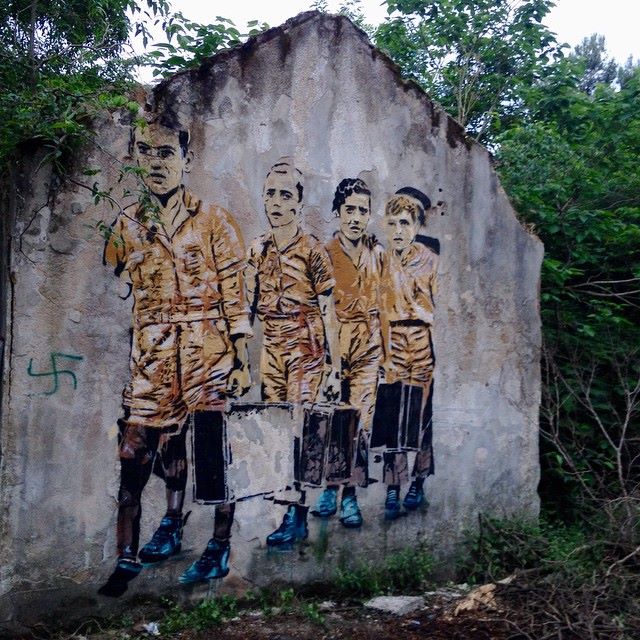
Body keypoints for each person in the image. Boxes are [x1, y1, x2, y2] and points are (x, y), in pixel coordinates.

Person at [99, 110, 251, 596]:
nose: (156, 163)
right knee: (135, 453)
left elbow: (235, 294)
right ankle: (127, 555)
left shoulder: (214, 221)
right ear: (134, 160)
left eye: (167, 153)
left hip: (208, 354)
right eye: (146, 153)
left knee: (211, 458)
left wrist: (242, 360)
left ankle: (218, 545)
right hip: (152, 360)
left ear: (186, 159)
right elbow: (115, 287)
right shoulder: (127, 226)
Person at [246, 158, 341, 550]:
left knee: (299, 431)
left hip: (306, 345)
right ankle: (287, 512)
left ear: (300, 204)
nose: (276, 202)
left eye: (286, 195)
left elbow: (329, 312)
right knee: (277, 430)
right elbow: (247, 309)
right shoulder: (257, 250)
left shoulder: (313, 251)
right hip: (272, 346)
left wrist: (334, 367)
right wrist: (237, 360)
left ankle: (295, 515)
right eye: (270, 194)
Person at [312, 178, 384, 527]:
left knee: (360, 427)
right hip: (335, 352)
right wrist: (329, 365)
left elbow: (386, 304)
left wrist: (385, 355)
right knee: (335, 424)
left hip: (368, 350)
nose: (356, 218)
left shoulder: (377, 254)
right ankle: (330, 488)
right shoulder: (324, 255)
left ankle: (350, 497)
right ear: (337, 213)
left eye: (363, 211)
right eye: (350, 210)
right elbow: (320, 314)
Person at [379, 189, 437, 520]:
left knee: (420, 413)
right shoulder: (381, 262)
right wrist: (385, 355)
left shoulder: (430, 259)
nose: (399, 230)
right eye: (392, 224)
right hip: (393, 340)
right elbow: (379, 311)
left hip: (421, 337)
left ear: (416, 226)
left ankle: (418, 478)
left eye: (405, 223)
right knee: (392, 415)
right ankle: (393, 484)